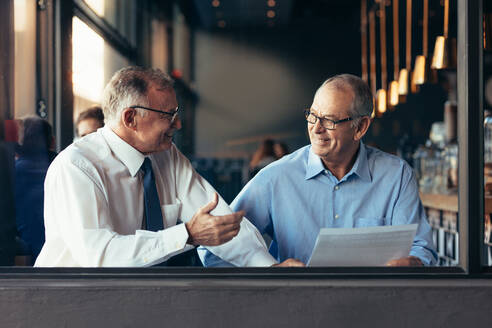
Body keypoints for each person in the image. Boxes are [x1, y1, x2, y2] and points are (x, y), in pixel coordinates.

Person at [35, 66, 303, 267]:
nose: (178, 125)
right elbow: (99, 255)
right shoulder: (78, 167)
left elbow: (218, 221)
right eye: (168, 116)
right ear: (130, 118)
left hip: (139, 300)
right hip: (71, 303)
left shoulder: (166, 156)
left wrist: (268, 267)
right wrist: (186, 234)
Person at [201, 74, 437, 267]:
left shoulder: (396, 175)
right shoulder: (276, 177)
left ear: (361, 127)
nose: (316, 128)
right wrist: (268, 272)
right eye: (313, 115)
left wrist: (413, 263)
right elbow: (215, 249)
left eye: (329, 120)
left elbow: (422, 249)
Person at [15, 116, 57, 264]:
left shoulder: (12, 173)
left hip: (22, 257)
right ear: (52, 141)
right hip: (60, 255)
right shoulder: (62, 167)